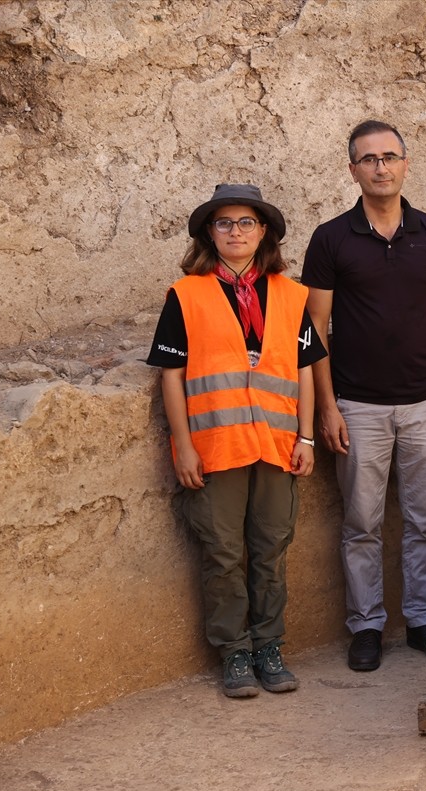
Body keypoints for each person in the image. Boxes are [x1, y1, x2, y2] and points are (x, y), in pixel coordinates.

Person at [302, 119, 426, 672]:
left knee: (425, 521)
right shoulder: (331, 238)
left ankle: (421, 618)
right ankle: (367, 625)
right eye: (369, 159)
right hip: (357, 406)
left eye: (390, 157)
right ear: (353, 169)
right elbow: (315, 328)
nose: (381, 168)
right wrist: (327, 407)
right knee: (361, 525)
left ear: (405, 164)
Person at [148, 183, 324, 697]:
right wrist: (183, 445)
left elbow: (305, 370)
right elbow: (172, 376)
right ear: (210, 232)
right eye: (224, 222)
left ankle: (269, 646)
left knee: (271, 549)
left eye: (246, 222)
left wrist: (307, 437)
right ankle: (235, 652)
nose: (236, 231)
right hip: (216, 448)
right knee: (222, 553)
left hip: (276, 445)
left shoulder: (291, 296)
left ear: (263, 231)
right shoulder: (186, 295)